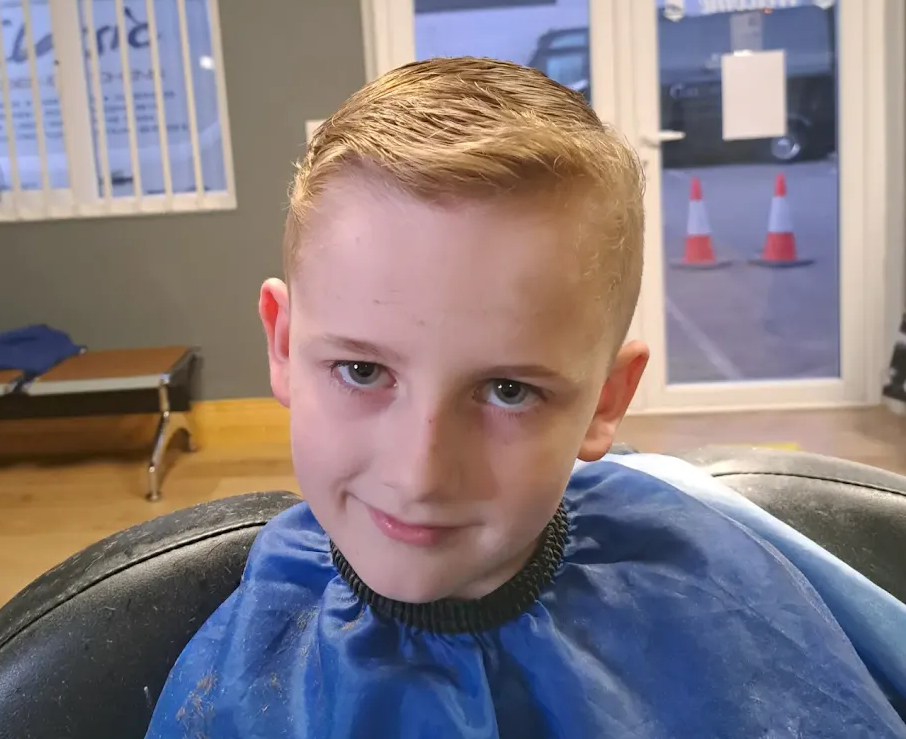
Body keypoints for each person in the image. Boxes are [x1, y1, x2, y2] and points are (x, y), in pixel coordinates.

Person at [146, 57, 906, 738]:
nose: (419, 474)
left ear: (606, 401)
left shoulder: (711, 590)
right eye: (362, 372)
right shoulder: (248, 661)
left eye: (507, 391)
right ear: (284, 346)